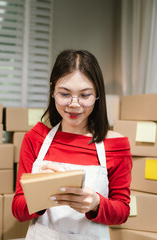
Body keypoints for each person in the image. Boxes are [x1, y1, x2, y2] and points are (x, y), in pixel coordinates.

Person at [12, 49, 132, 240]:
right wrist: (41, 193)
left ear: (98, 94)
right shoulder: (35, 139)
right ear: (53, 90)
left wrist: (95, 204)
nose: (74, 104)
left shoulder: (116, 145)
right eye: (65, 94)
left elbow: (123, 212)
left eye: (85, 95)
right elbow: (18, 211)